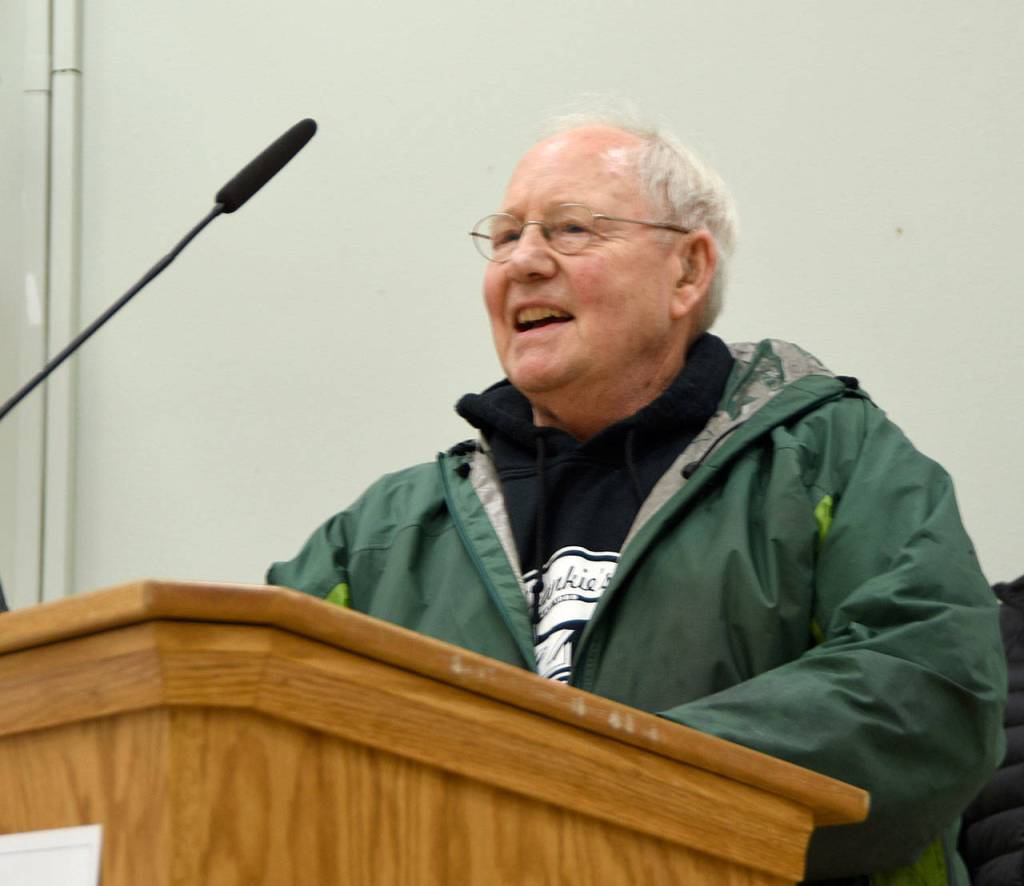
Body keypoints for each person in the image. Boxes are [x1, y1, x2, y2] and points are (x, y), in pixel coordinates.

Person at [268, 115, 1006, 884]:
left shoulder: (826, 458)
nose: (522, 261)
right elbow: (244, 717)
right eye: (505, 235)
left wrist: (601, 785)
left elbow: (927, 692)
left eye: (571, 229)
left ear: (687, 272)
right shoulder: (386, 535)